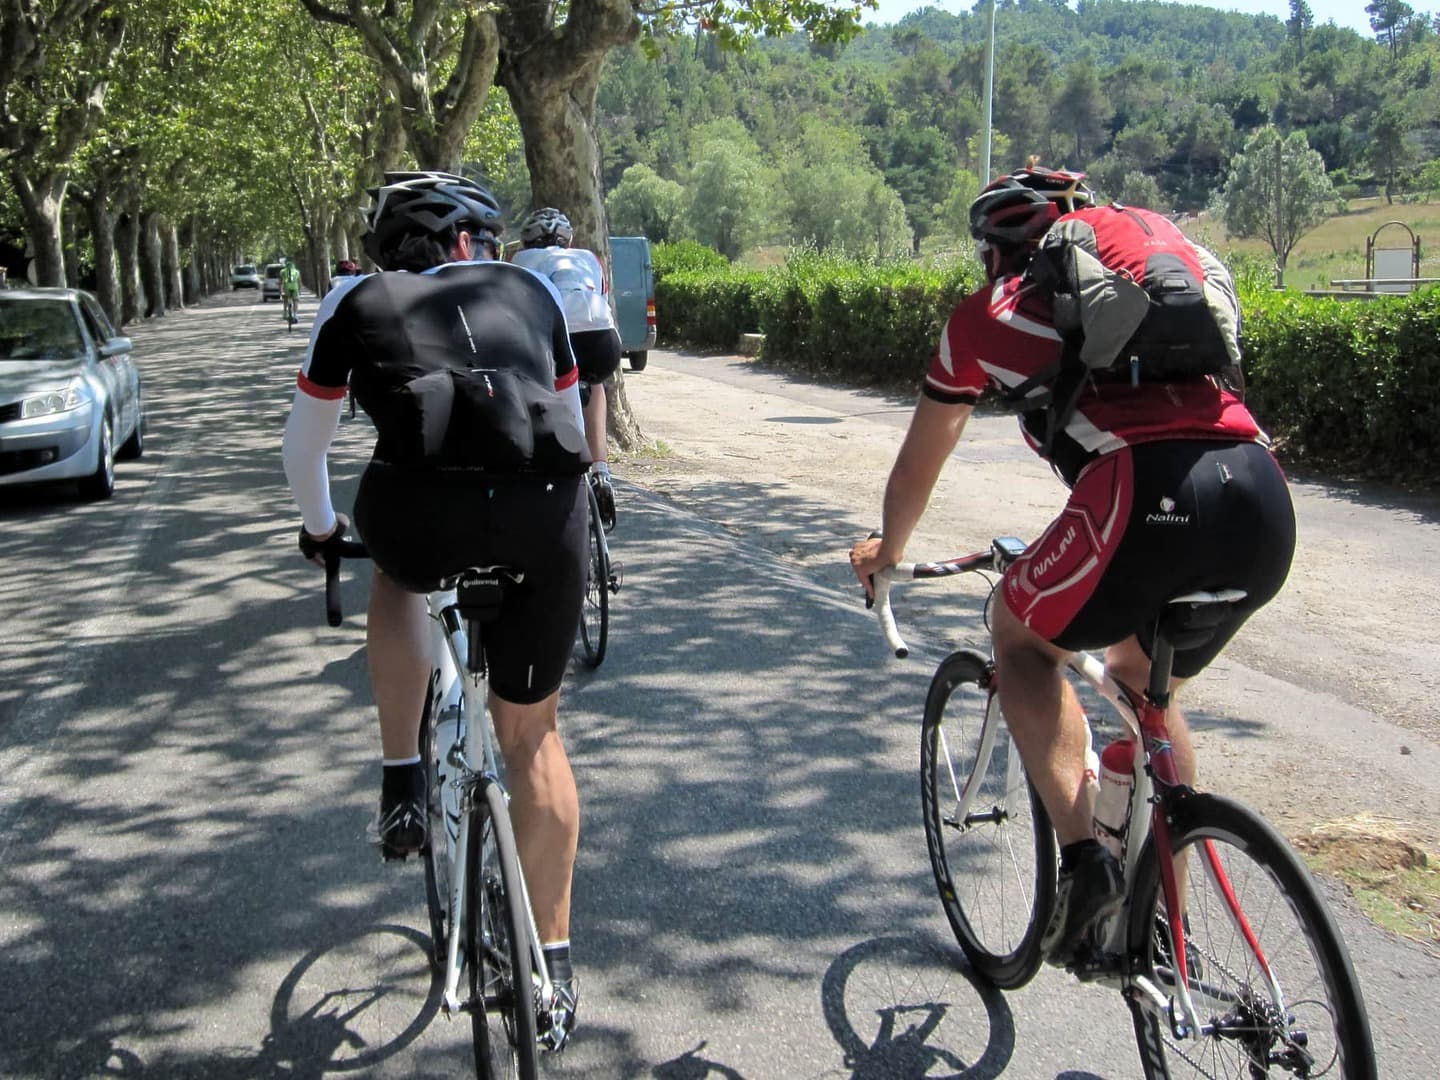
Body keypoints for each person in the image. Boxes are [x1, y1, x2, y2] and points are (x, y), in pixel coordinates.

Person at [849, 166, 1296, 968]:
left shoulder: (989, 314)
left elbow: (920, 464)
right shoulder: (1156, 303)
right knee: (1143, 690)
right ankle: (1166, 939)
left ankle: (1086, 859)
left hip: (1143, 499)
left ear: (997, 249)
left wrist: (890, 551)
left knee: (1019, 635)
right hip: (1262, 496)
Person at [281, 171, 588, 1047]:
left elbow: (304, 447)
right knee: (533, 739)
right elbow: (565, 412)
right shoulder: (529, 287)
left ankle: (400, 776)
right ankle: (553, 969)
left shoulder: (351, 300)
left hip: (419, 516)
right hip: (544, 516)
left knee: (396, 578)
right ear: (468, 243)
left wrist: (320, 531)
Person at [510, 207, 621, 531]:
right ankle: (601, 471)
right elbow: (600, 297)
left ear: (527, 241)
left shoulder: (520, 261)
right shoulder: (588, 258)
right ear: (567, 241)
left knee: (534, 386)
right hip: (602, 340)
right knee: (595, 384)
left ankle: (546, 468)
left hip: (555, 336)